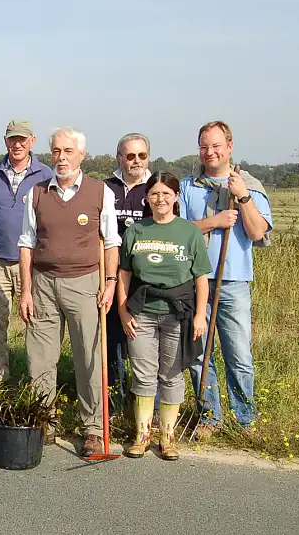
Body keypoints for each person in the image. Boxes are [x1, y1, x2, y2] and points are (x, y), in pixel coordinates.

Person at [18, 127, 121, 456]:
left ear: (81, 156)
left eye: (68, 152)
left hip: (85, 283)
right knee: (40, 358)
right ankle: (43, 419)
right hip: (43, 283)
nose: (61, 158)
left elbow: (112, 242)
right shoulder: (35, 193)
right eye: (56, 151)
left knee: (88, 357)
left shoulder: (100, 192)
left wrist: (110, 283)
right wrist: (25, 291)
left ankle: (92, 428)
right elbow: (26, 244)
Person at [180, 120, 272, 438]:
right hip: (194, 281)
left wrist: (243, 197)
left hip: (233, 283)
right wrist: (213, 221)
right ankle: (209, 416)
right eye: (204, 146)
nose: (210, 152)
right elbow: (175, 230)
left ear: (229, 146)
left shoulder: (249, 185)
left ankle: (245, 419)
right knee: (197, 354)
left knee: (239, 356)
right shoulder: (188, 186)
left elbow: (258, 232)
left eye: (216, 145)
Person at [117, 171, 212, 460]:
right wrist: (122, 311)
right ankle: (142, 435)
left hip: (178, 314)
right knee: (144, 376)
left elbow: (201, 279)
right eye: (155, 193)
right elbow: (124, 274)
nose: (160, 199)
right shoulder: (136, 231)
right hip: (142, 313)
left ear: (175, 197)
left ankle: (167, 438)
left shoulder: (189, 232)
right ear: (147, 197)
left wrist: (199, 316)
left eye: (166, 194)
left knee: (171, 375)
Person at [0, 119, 53, 381]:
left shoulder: (46, 175)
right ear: (5, 141)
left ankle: (38, 382)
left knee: (36, 321)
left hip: (32, 261)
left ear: (32, 141)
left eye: (23, 139)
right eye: (12, 139)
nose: (17, 144)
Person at [104, 133, 152, 408]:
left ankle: (144, 406)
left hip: (145, 280)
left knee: (142, 343)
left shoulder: (156, 187)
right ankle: (114, 403)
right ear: (119, 157)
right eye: (130, 155)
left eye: (141, 155)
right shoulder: (105, 188)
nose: (135, 161)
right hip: (112, 277)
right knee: (113, 344)